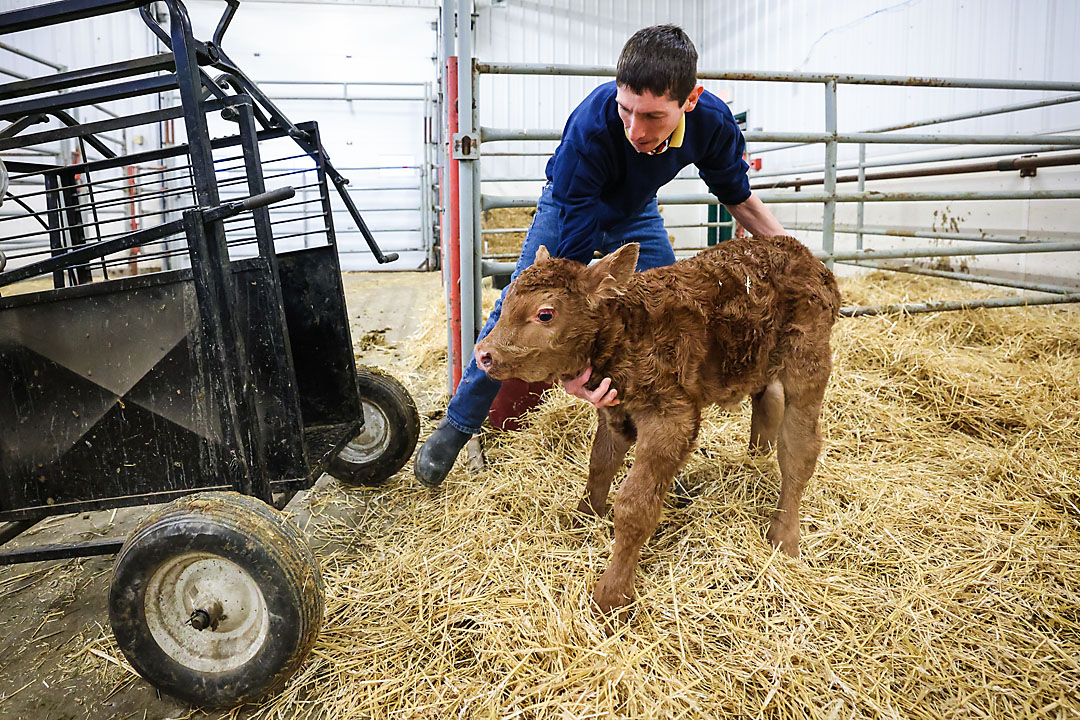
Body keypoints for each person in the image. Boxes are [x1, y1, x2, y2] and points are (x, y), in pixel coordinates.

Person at [415, 24, 786, 488]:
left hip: (635, 212)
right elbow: (561, 294)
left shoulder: (712, 123)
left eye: (652, 117)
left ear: (690, 100)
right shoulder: (590, 128)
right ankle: (459, 423)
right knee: (521, 301)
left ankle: (663, 439)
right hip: (570, 207)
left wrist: (796, 258)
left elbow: (740, 198)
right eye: (625, 110)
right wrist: (575, 376)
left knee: (669, 313)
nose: (635, 129)